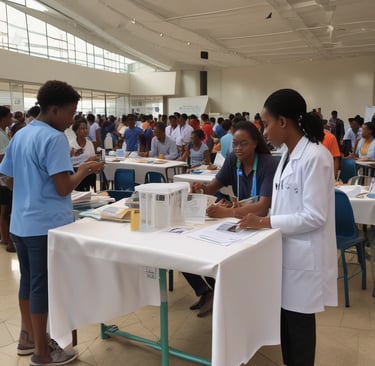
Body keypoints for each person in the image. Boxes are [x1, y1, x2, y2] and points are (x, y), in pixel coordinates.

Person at [0, 80, 104, 366]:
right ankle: (42, 354)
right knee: (41, 287)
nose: (73, 120)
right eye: (71, 113)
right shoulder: (55, 138)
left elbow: (7, 178)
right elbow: (62, 187)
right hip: (44, 226)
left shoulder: (21, 134)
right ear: (55, 110)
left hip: (20, 223)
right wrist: (83, 169)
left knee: (28, 282)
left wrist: (30, 191)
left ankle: (27, 338)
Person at [239, 88, 338, 366]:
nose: (263, 131)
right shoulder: (285, 155)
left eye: (266, 123)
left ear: (283, 122)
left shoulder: (316, 156)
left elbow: (315, 216)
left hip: (304, 259)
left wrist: (264, 221)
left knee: (299, 326)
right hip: (285, 254)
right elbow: (284, 206)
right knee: (285, 323)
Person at [192, 121, 277, 219]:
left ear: (255, 143)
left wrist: (229, 212)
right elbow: (212, 187)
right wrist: (202, 190)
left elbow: (263, 208)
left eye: (243, 144)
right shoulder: (233, 159)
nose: (238, 148)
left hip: (264, 221)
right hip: (242, 219)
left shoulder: (268, 164)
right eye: (234, 144)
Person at [0, 106, 15, 252]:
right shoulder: (0, 135)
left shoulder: (4, 133)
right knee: (5, 210)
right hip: (4, 179)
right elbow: (2, 157)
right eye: (9, 117)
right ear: (3, 118)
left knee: (4, 209)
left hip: (5, 177)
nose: (11, 119)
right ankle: (6, 238)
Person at [70, 118, 97, 191]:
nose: (85, 130)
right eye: (82, 128)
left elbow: (93, 158)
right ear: (76, 131)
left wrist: (92, 160)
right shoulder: (71, 144)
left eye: (86, 128)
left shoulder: (90, 143)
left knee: (92, 174)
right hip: (75, 172)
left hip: (87, 171)